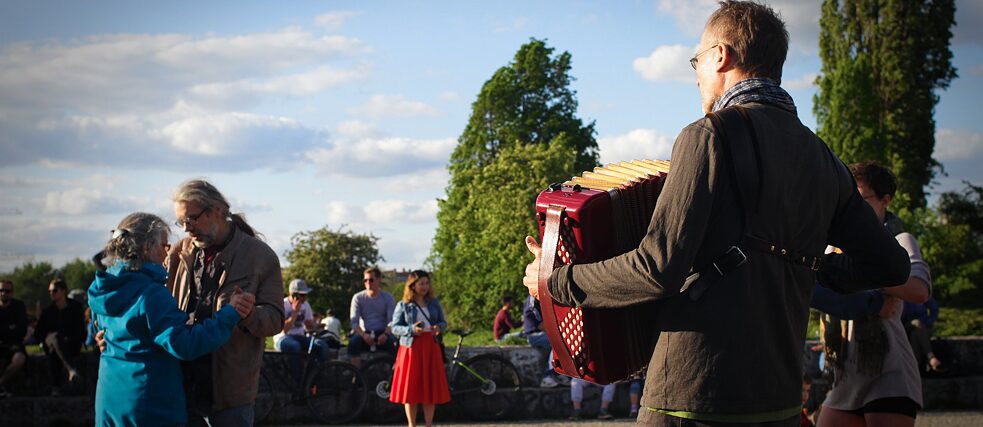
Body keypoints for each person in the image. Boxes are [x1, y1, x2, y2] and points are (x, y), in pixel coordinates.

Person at [521, 2, 912, 425]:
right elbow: (891, 265)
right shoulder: (824, 159)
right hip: (779, 400)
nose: (696, 76)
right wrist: (807, 267)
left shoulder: (707, 135)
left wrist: (553, 281)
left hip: (692, 396)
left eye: (698, 61)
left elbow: (657, 269)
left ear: (721, 56)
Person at [88, 212, 254, 426]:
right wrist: (230, 313)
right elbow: (185, 344)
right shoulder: (151, 294)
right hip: (149, 403)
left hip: (110, 400)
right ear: (146, 247)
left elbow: (102, 334)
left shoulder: (102, 289)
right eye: (165, 246)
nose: (167, 253)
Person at [818, 162, 932, 427]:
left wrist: (861, 273)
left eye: (862, 199)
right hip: (845, 374)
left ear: (885, 200)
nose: (853, 206)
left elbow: (919, 290)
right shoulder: (832, 246)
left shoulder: (900, 241)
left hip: (889, 370)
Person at [167, 179, 285, 426]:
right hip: (178, 383)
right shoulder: (178, 253)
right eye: (181, 222)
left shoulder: (259, 256)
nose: (187, 228)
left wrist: (250, 314)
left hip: (230, 392)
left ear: (217, 210)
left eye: (192, 218)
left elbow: (275, 320)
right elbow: (152, 305)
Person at [389, 270, 450, 427]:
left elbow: (443, 322)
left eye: (426, 283)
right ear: (413, 285)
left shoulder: (434, 303)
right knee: (411, 388)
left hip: (430, 347)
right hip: (411, 348)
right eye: (421, 283)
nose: (424, 286)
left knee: (429, 388)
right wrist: (411, 329)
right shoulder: (403, 305)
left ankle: (429, 424)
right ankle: (412, 425)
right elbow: (395, 327)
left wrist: (438, 327)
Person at [34, 278, 86, 395]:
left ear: (63, 291)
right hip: (51, 342)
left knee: (55, 347)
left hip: (71, 344)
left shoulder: (75, 308)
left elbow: (80, 331)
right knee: (55, 340)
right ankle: (71, 370)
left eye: (54, 290)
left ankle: (55, 387)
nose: (51, 293)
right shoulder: (48, 312)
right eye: (50, 291)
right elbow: (38, 333)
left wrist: (65, 338)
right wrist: (49, 336)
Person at [349, 267, 396, 367]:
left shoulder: (388, 297)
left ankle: (394, 372)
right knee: (353, 343)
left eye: (371, 280)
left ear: (379, 280)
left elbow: (391, 321)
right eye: (365, 280)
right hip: (364, 333)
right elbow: (354, 322)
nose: (368, 283)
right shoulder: (358, 297)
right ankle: (356, 373)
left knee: (395, 344)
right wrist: (363, 335)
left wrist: (386, 334)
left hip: (382, 333)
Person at [273, 279, 329, 362]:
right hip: (283, 338)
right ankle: (296, 371)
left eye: (305, 295)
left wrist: (318, 326)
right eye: (302, 295)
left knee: (321, 345)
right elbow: (285, 330)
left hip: (300, 336)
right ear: (293, 295)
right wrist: (295, 312)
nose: (305, 298)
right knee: (295, 346)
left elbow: (309, 325)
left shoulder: (305, 305)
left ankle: (318, 369)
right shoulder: (283, 305)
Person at [521, 294, 564, 388]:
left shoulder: (534, 298)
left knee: (560, 340)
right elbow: (540, 325)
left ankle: (559, 374)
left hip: (538, 334)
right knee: (557, 342)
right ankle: (548, 376)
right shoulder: (533, 299)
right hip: (533, 335)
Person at [0, 279, 28, 398]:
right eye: (1, 290)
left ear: (12, 292)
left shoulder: (18, 306)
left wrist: (5, 330)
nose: (3, 293)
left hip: (14, 345)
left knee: (19, 359)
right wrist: (10, 328)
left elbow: (21, 330)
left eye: (7, 291)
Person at [901, 297, 944, 373]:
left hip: (923, 327)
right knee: (916, 323)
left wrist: (928, 322)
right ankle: (930, 356)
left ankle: (916, 367)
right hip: (906, 326)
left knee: (915, 334)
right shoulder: (902, 296)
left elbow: (934, 309)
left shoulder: (921, 293)